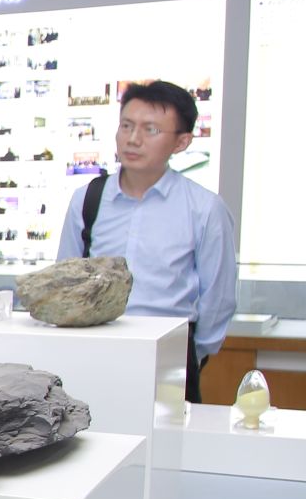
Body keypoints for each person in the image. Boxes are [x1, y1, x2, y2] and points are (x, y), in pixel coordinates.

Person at [56, 79, 236, 402]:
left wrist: (189, 356)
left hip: (169, 360)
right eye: (126, 126)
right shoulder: (87, 199)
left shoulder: (204, 208)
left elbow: (218, 299)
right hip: (94, 355)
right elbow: (64, 280)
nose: (133, 139)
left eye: (150, 130)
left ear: (181, 142)